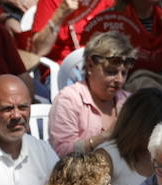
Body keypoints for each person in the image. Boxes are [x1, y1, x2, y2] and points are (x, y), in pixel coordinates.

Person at [47, 32, 133, 160]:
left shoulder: (128, 101)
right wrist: (105, 136)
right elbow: (60, 153)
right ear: (90, 65)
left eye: (124, 73)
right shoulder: (70, 99)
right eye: (111, 72)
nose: (119, 80)